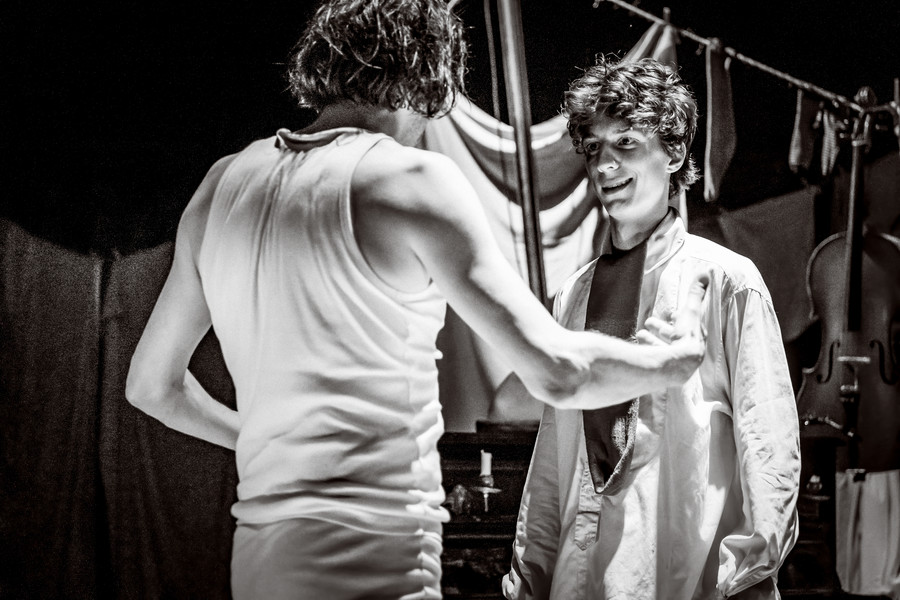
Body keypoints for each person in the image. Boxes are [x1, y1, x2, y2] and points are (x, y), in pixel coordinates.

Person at [124, 3, 710, 598]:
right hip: (375, 561)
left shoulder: (222, 184)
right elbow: (557, 372)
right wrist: (672, 360)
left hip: (258, 562)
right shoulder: (409, 180)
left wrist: (265, 442)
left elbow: (152, 387)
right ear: (431, 76)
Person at [502, 56, 801, 600]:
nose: (604, 165)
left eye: (626, 143)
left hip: (686, 577)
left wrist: (749, 575)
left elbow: (768, 444)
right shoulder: (573, 295)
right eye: (593, 147)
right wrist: (531, 573)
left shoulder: (728, 281)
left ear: (676, 153)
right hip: (579, 579)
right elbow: (554, 455)